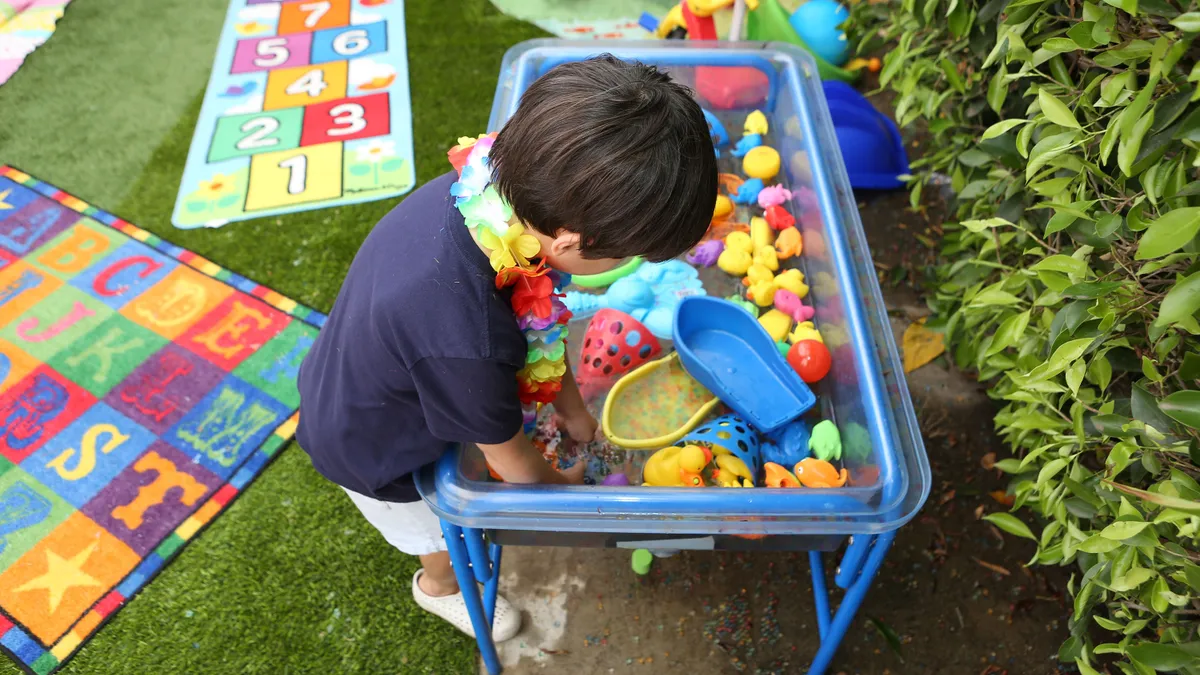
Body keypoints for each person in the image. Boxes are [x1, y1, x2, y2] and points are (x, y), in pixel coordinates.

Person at [296, 55, 717, 641]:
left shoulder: (496, 198)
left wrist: (571, 408)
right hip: (372, 447)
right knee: (439, 536)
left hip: (390, 367)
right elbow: (510, 461)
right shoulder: (466, 336)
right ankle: (439, 589)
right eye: (627, 255)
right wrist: (560, 493)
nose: (627, 266)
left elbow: (536, 319)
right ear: (572, 241)